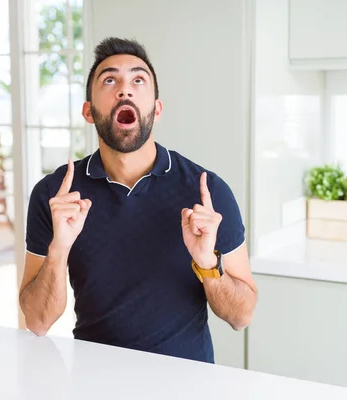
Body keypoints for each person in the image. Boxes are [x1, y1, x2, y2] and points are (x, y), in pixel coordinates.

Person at [19, 37, 257, 364]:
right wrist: (59, 249)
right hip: (95, 383)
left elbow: (241, 316)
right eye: (109, 80)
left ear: (156, 109)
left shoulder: (207, 192)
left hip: (187, 385)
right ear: (89, 111)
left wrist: (207, 265)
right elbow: (37, 321)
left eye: (138, 80)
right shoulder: (55, 195)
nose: (124, 90)